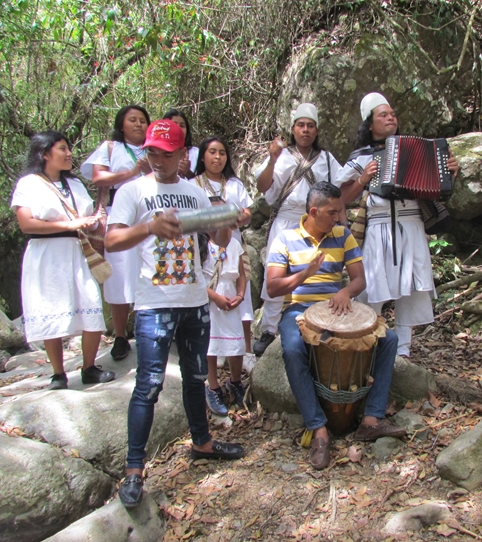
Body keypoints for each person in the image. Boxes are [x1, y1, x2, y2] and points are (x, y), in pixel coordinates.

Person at [105, 119, 247, 508]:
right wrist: (149, 227)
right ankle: (134, 469)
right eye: (151, 151)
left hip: (195, 301)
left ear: (184, 155)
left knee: (196, 376)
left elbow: (215, 240)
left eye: (166, 154)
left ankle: (201, 442)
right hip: (154, 302)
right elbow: (112, 240)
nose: (157, 160)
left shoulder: (193, 192)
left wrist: (226, 224)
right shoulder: (134, 191)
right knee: (149, 384)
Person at [266, 182, 406, 470]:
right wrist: (305, 273)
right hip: (298, 310)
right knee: (293, 349)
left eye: (340, 210)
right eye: (333, 212)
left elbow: (359, 280)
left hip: (337, 306)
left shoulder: (342, 236)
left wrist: (345, 292)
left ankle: (370, 419)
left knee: (389, 339)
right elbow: (272, 287)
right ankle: (318, 428)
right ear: (314, 211)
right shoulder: (285, 239)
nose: (339, 217)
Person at [335, 93, 458, 357]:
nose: (391, 117)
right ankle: (366, 348)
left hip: (412, 226)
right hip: (377, 229)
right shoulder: (361, 157)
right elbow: (340, 199)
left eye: (392, 114)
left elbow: (436, 188)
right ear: (370, 124)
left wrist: (448, 172)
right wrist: (362, 179)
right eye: (383, 115)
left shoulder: (416, 148)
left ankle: (403, 353)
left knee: (411, 290)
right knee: (372, 289)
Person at [11, 131, 117, 390]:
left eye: (68, 148)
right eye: (62, 148)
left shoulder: (76, 185)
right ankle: (58, 373)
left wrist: (91, 223)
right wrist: (71, 223)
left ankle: (89, 367)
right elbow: (26, 224)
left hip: (77, 249)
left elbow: (84, 218)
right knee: (50, 307)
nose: (69, 153)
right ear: (44, 154)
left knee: (91, 303)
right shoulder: (29, 184)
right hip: (46, 253)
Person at [253, 103, 342, 357]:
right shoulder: (279, 155)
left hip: (317, 224)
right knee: (277, 278)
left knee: (316, 274)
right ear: (293, 129)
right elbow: (262, 186)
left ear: (316, 131)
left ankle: (317, 324)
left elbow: (341, 188)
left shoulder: (325, 158)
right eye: (301, 125)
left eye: (310, 126)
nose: (305, 130)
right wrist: (271, 158)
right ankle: (269, 330)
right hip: (284, 222)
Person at [81, 105, 152, 362]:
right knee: (120, 276)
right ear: (121, 125)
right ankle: (120, 336)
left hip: (149, 214)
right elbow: (99, 178)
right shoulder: (111, 148)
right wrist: (132, 173)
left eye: (143, 120)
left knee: (150, 270)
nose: (138, 124)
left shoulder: (153, 148)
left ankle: (149, 333)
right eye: (132, 120)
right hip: (119, 217)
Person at [193, 136, 256, 383]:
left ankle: (245, 351)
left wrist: (238, 218)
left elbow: (248, 212)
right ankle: (214, 366)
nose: (217, 157)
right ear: (202, 156)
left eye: (222, 152)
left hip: (233, 243)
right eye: (212, 152)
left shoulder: (234, 184)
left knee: (241, 295)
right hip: (203, 244)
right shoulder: (193, 184)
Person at [201, 197, 249, 416]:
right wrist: (215, 297)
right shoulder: (201, 245)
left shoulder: (234, 244)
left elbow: (241, 273)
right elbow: (196, 280)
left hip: (230, 296)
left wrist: (240, 294)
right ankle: (213, 386)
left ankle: (235, 381)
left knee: (236, 341)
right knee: (211, 345)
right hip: (211, 299)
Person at [162, 108, 199, 175]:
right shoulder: (157, 152)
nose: (178, 128)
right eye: (174, 124)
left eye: (182, 126)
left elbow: (202, 182)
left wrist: (187, 172)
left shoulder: (196, 153)